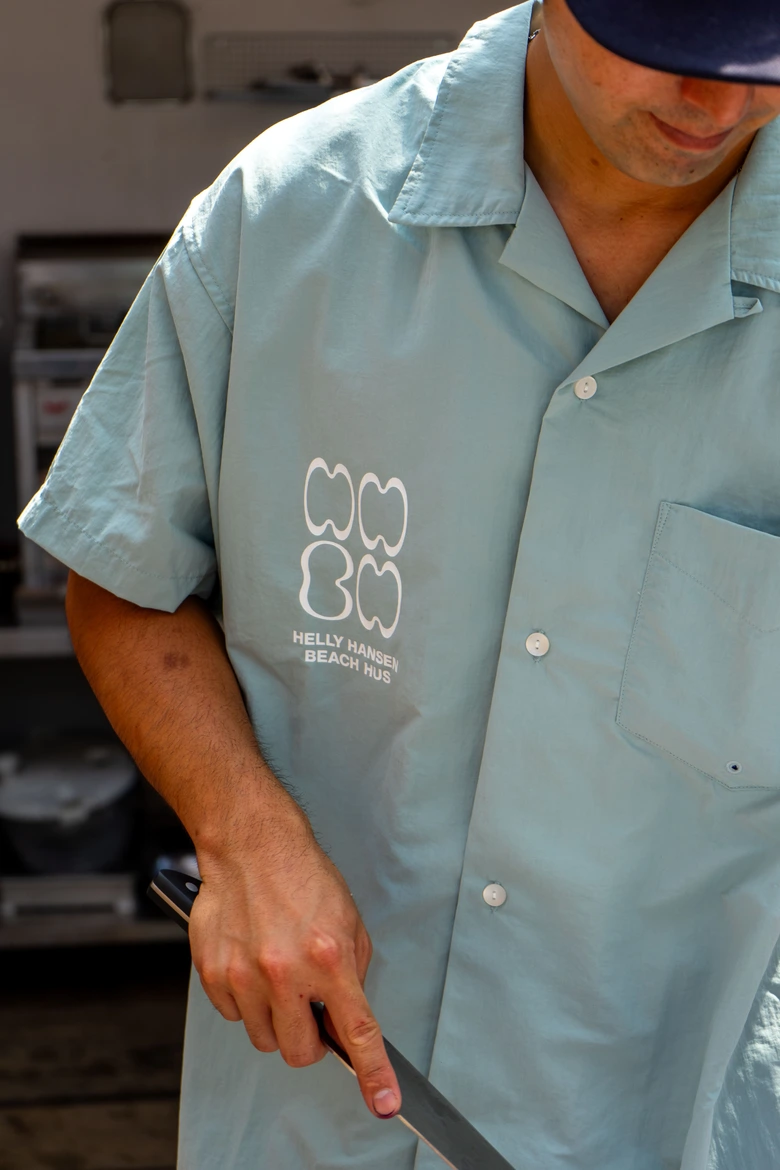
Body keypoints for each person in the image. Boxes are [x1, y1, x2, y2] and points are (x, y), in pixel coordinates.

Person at [19, 0, 780, 1166]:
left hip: (679, 1111)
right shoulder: (293, 213)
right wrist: (243, 836)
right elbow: (123, 575)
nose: (719, 105)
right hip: (327, 1100)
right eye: (666, 49)